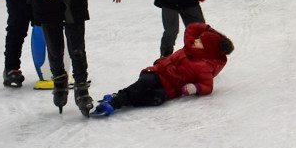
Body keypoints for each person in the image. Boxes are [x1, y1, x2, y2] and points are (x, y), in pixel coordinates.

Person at [92, 23, 232, 117]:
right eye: (198, 39)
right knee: (144, 83)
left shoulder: (205, 66)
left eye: (200, 42)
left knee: (157, 98)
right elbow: (192, 28)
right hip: (159, 73)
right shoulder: (189, 46)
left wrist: (194, 88)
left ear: (208, 49)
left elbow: (207, 86)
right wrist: (213, 32)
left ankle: (124, 99)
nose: (195, 40)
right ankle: (115, 102)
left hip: (170, 88)